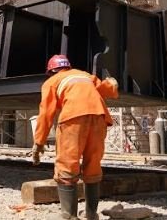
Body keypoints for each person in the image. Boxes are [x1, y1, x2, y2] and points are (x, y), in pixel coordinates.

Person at [32, 55, 119, 220]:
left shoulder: (51, 82)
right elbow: (108, 90)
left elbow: (45, 115)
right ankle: (91, 214)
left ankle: (69, 215)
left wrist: (39, 142)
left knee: (67, 164)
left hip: (73, 119)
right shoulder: (84, 75)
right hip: (99, 117)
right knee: (93, 164)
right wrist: (112, 83)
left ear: (51, 71)